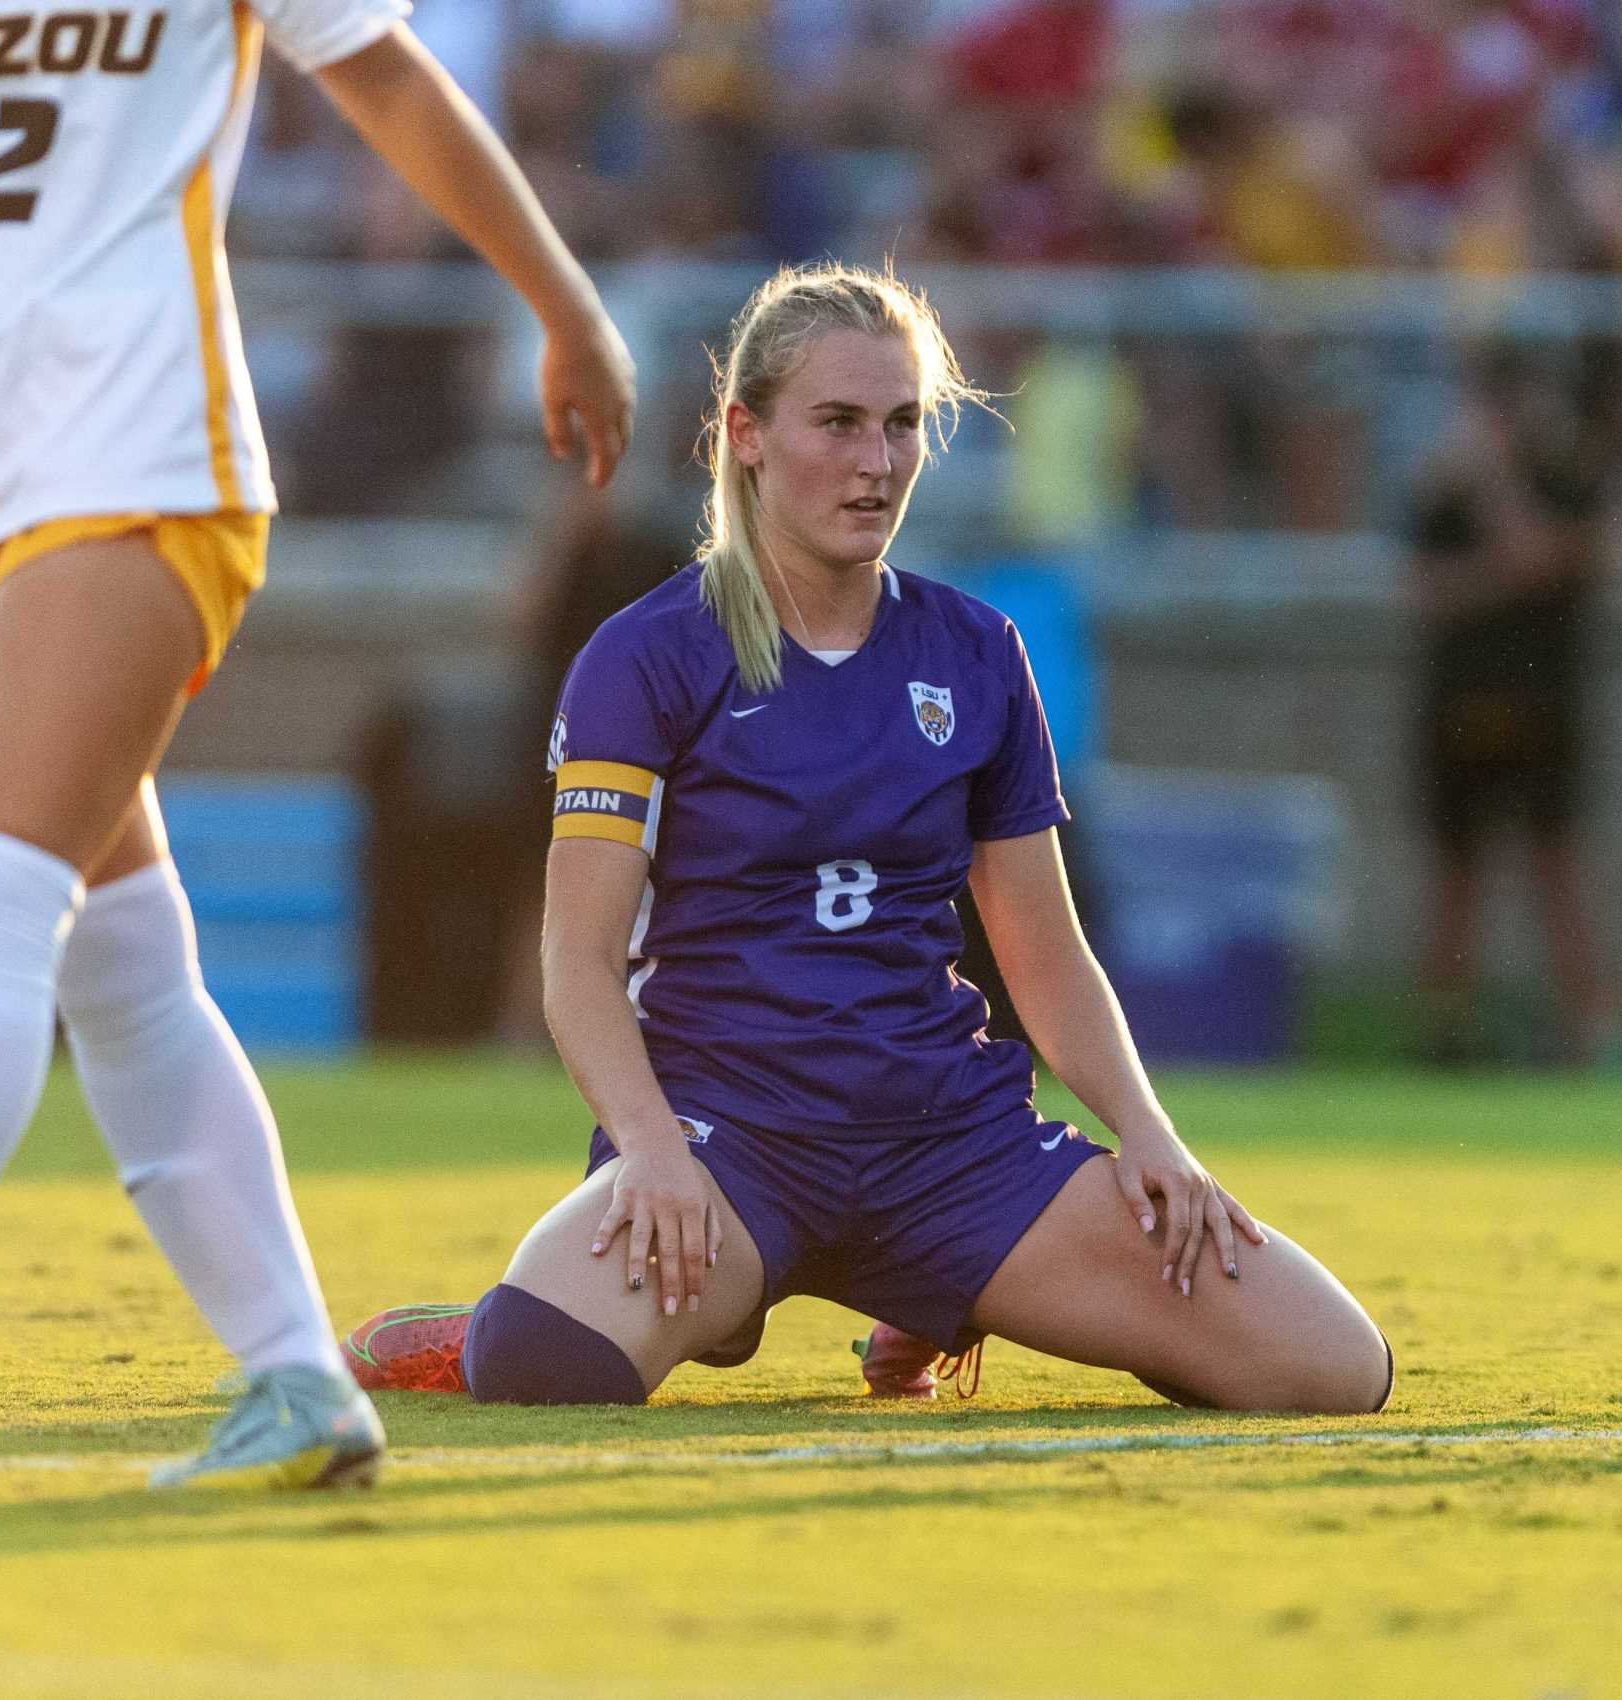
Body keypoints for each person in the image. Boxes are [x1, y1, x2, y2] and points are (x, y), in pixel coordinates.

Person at [0, 0, 635, 1487]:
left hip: (136, 452)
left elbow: (381, 75)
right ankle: (300, 1384)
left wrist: (562, 304)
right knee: (117, 959)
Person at [341, 263, 1391, 1417]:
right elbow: (577, 960)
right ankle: (521, 1316)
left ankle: (945, 1292)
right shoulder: (644, 657)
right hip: (726, 1136)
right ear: (744, 433)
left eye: (901, 425)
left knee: (1334, 1367)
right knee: (544, 1364)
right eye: (837, 422)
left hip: (951, 1147)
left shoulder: (978, 651)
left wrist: (1148, 1133)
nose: (876, 461)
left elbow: (1044, 950)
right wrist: (647, 1149)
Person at [1408, 341, 1622, 1070]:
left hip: (1543, 707)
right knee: (1456, 874)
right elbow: (1425, 591)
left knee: (1556, 868)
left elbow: (1556, 556)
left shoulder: (1561, 480)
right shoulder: (1442, 492)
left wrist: (1498, 493)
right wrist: (1501, 573)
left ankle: (1594, 1035)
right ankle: (1446, 1032)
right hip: (1459, 705)